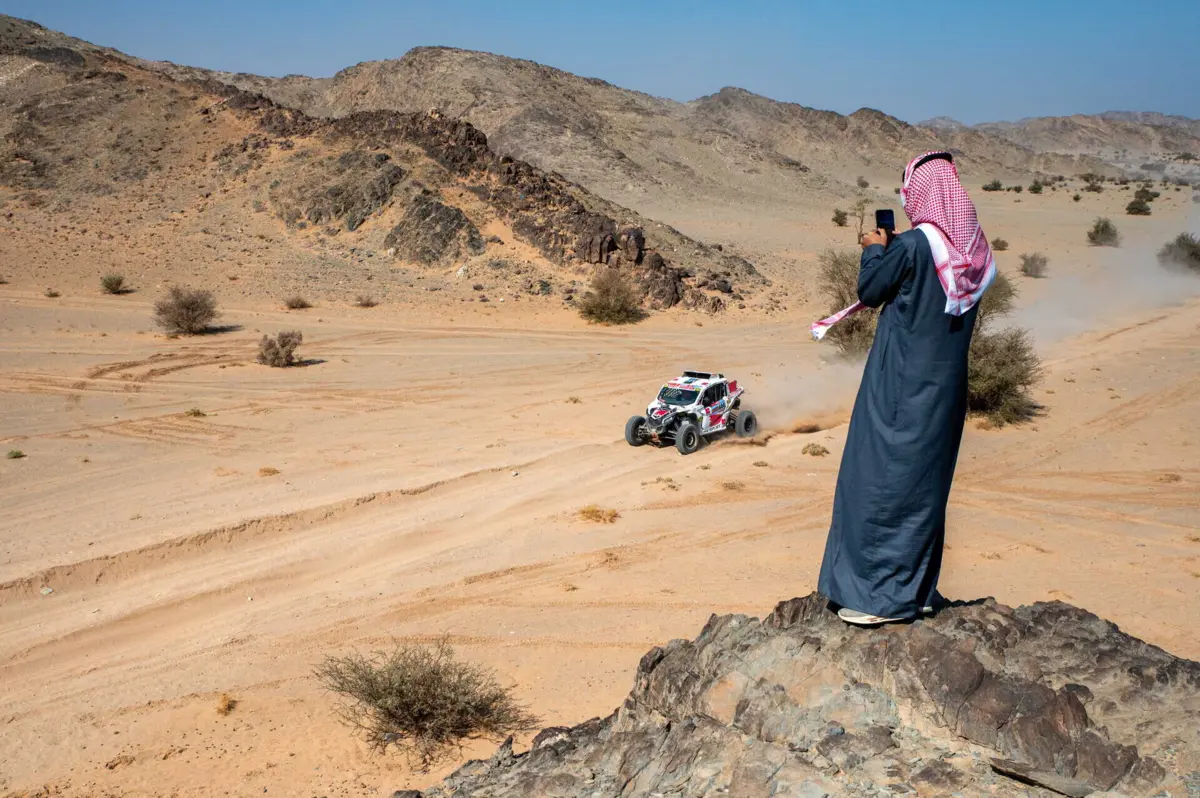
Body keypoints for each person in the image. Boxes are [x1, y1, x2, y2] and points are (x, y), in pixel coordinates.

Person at [812, 151, 996, 625]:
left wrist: (875, 248)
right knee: (924, 485)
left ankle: (878, 597)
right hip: (944, 390)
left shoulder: (913, 246)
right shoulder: (975, 253)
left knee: (879, 479)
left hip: (899, 385)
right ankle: (917, 590)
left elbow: (871, 289)